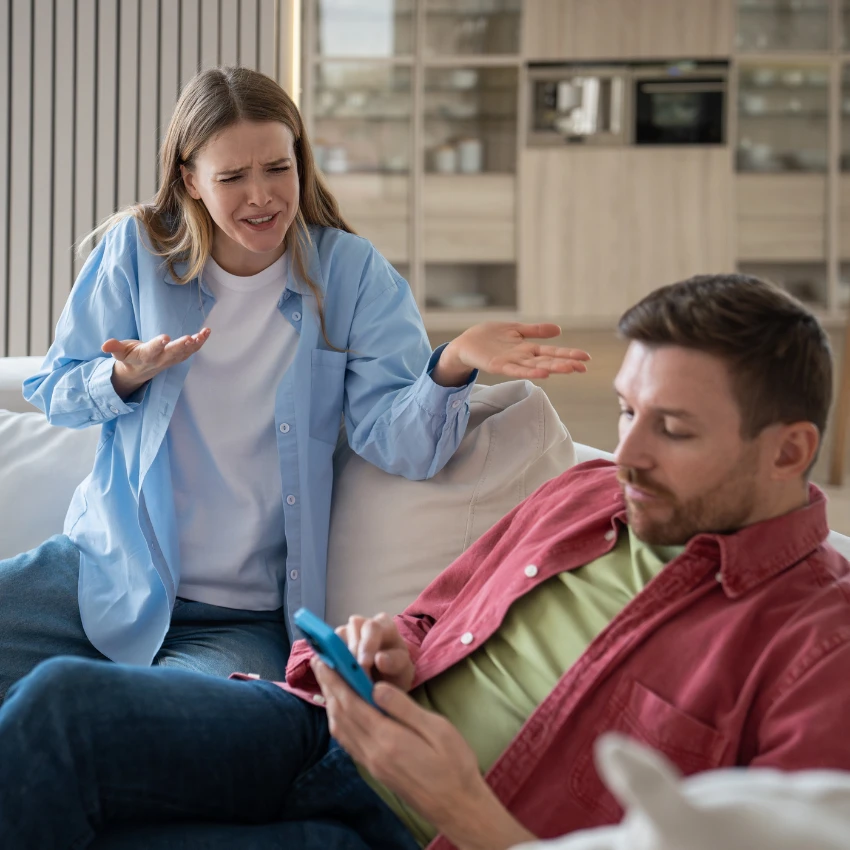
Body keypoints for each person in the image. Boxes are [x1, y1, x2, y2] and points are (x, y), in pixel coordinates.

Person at [2, 273, 849, 850]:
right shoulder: (588, 495)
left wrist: (469, 815)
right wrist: (390, 648)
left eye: (674, 429)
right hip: (324, 731)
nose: (627, 454)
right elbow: (427, 617)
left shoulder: (821, 651)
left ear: (788, 451)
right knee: (60, 705)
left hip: (422, 834)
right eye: (628, 413)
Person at [0, 66, 590, 697]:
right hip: (100, 575)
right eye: (232, 177)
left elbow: (400, 445)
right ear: (190, 181)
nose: (262, 196)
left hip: (236, 619)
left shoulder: (350, 274)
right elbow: (56, 392)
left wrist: (452, 365)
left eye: (278, 168)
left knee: (166, 731)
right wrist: (121, 377)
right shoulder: (136, 251)